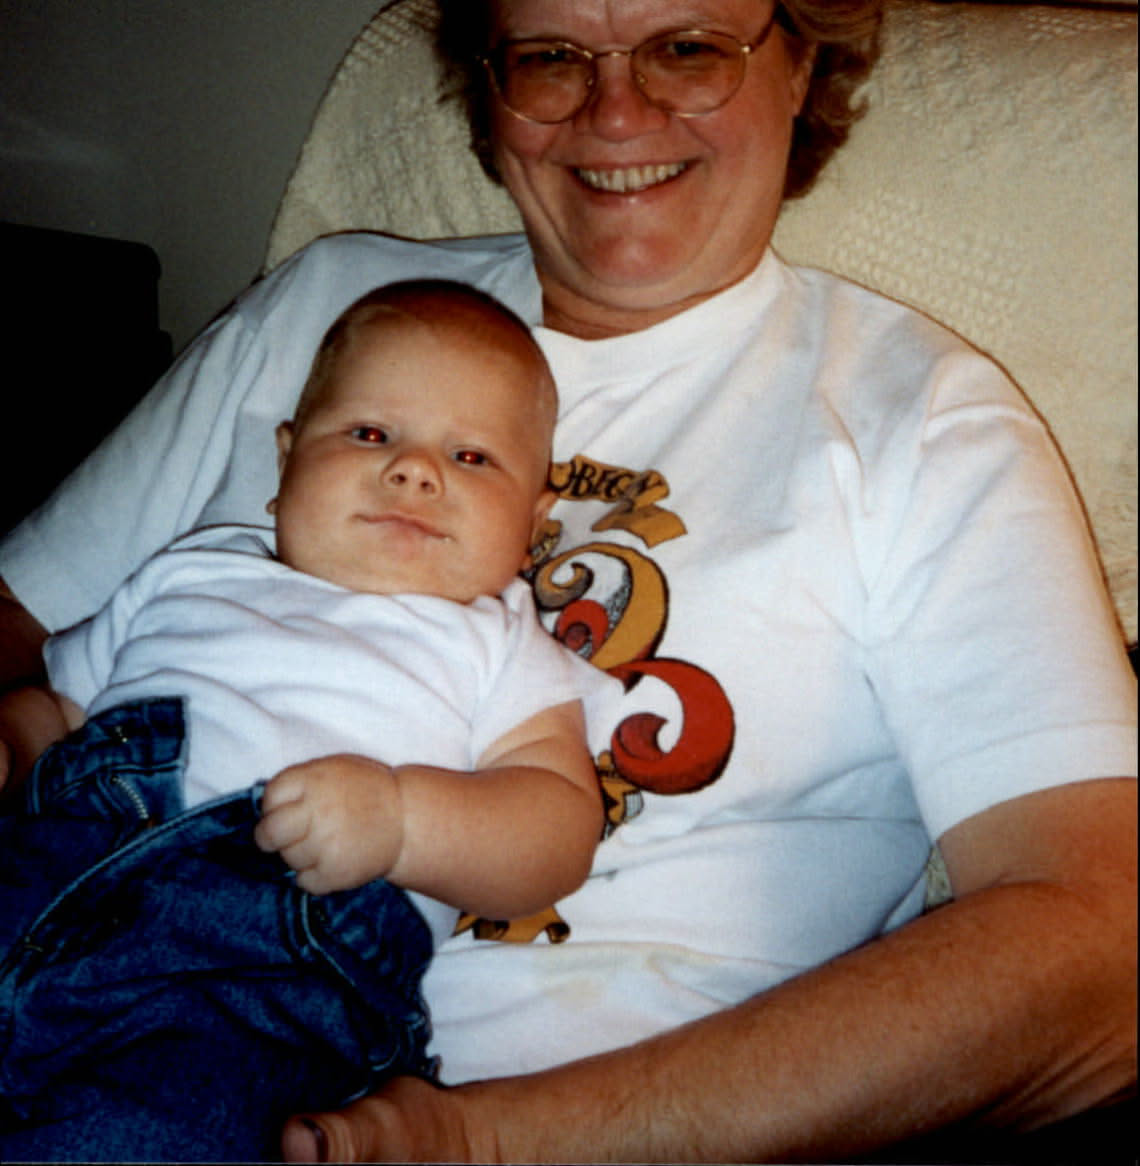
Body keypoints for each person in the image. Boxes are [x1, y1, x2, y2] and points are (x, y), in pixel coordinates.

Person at [0, 0, 1134, 1161]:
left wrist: (483, 1141)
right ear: (490, 86)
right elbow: (25, 642)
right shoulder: (326, 304)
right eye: (551, 57)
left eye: (687, 48)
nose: (617, 112)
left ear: (799, 60)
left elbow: (1102, 946)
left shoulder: (922, 420)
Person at [0, 280, 613, 1161]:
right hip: (48, 867)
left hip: (257, 978)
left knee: (138, 1139)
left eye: (472, 457)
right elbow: (60, 708)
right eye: (370, 434)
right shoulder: (192, 570)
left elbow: (556, 826)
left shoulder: (498, 643)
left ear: (534, 520)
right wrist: (12, 742)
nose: (415, 471)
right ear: (284, 463)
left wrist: (403, 820)